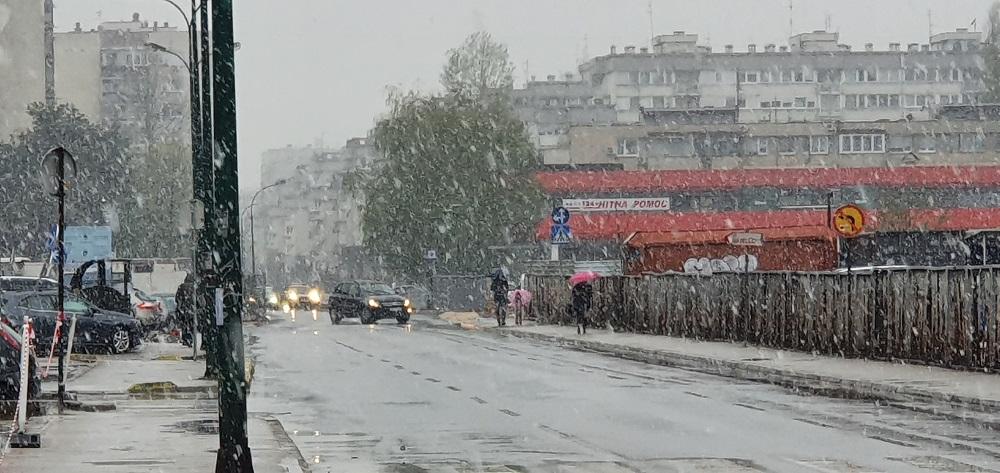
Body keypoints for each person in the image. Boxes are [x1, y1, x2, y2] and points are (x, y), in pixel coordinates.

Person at [174, 273, 195, 347]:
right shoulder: (193, 287)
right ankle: (190, 338)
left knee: (184, 325)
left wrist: (181, 306)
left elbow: (177, 299)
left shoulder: (181, 287)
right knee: (191, 325)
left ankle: (186, 338)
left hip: (182, 310)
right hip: (191, 309)